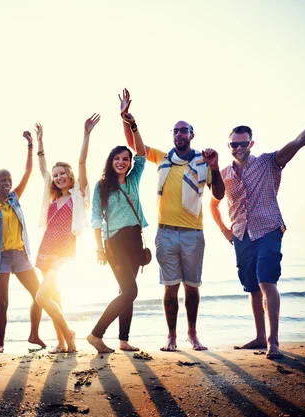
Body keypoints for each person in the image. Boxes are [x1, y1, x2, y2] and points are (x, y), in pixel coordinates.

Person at [210, 87, 305, 360]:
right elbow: (215, 200)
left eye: (242, 143)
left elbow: (298, 141)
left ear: (251, 144)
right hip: (241, 236)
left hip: (269, 230)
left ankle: (273, 342)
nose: (238, 148)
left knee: (266, 281)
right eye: (233, 144)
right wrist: (225, 231)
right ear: (229, 147)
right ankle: (259, 336)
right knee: (251, 287)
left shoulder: (270, 162)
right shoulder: (223, 173)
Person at [120, 88, 225, 352]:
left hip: (193, 234)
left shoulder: (204, 161)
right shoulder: (163, 158)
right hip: (166, 233)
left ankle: (192, 334)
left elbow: (220, 194)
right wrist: (128, 120)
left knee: (192, 288)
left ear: (192, 135)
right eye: (175, 131)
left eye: (184, 130)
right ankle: (171, 337)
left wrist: (214, 167)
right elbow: (136, 146)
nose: (179, 134)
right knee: (169, 289)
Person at [34, 115, 100, 353]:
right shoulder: (52, 197)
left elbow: (82, 162)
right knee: (55, 298)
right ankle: (62, 343)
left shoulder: (78, 196)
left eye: (63, 173)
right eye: (56, 175)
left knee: (42, 298)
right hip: (46, 249)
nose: (59, 177)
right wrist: (40, 143)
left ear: (70, 176)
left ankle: (70, 334)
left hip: (64, 252)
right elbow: (42, 169)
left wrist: (86, 134)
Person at [0, 132, 45, 353]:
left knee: (40, 294)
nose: (7, 183)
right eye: (2, 180)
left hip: (20, 255)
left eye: (9, 180)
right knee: (2, 303)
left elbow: (28, 172)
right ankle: (0, 343)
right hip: (1, 258)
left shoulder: (15, 197)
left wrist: (30, 145)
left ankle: (34, 335)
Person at [86, 111, 147, 354]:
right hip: (115, 243)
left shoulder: (132, 181)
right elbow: (94, 219)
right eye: (117, 158)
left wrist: (132, 124)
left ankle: (123, 340)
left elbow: (142, 154)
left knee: (127, 292)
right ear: (111, 161)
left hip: (134, 239)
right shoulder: (103, 186)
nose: (122, 162)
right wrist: (99, 247)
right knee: (130, 291)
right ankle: (95, 334)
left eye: (125, 159)